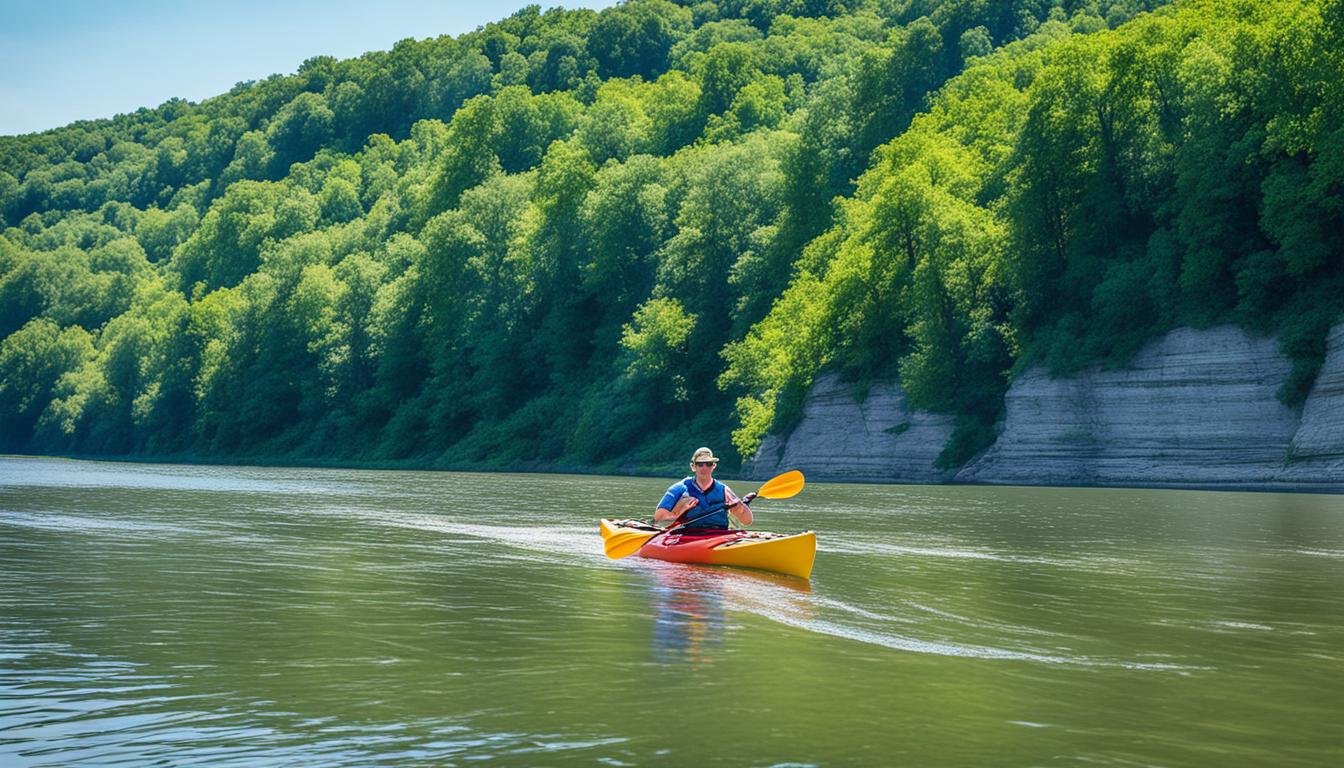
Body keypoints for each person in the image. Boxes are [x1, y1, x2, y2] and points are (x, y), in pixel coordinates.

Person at [654, 447, 755, 530]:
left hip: (720, 536)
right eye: (700, 464)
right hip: (689, 535)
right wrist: (678, 512)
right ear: (693, 466)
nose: (704, 468)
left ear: (714, 466)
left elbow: (747, 521)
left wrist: (741, 507)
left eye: (708, 464)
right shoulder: (679, 489)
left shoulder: (724, 490)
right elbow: (659, 518)